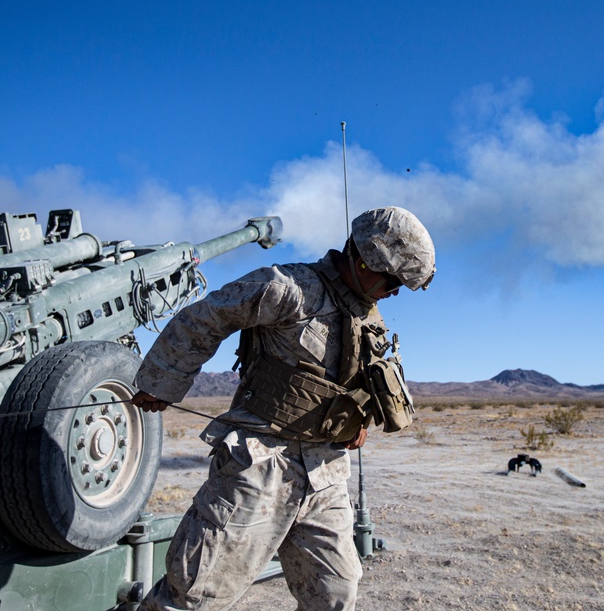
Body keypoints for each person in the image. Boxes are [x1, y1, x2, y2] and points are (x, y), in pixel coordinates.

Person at [132, 206, 435, 611]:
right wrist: (162, 381)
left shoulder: (368, 316)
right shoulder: (287, 287)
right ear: (365, 260)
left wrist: (355, 422)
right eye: (393, 280)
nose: (395, 292)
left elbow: (356, 381)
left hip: (325, 473)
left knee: (335, 594)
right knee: (195, 596)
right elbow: (205, 318)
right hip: (259, 463)